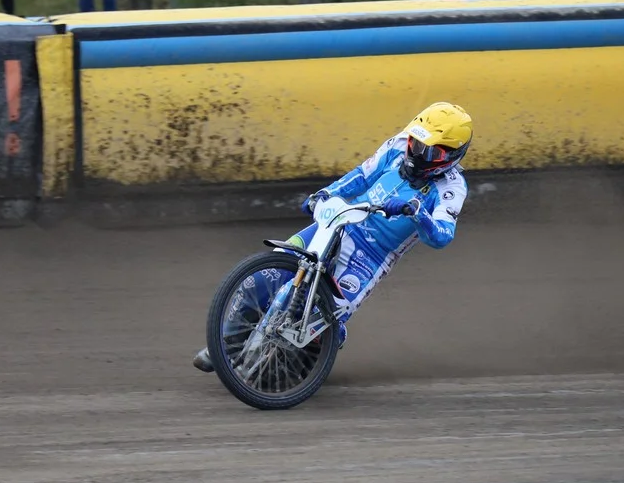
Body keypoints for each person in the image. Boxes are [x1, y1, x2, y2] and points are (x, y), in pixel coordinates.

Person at [193, 101, 474, 373]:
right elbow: (362, 176)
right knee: (262, 276)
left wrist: (419, 214)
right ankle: (225, 347)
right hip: (341, 221)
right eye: (416, 143)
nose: (417, 154)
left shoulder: (452, 188)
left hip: (372, 256)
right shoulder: (399, 144)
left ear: (452, 156)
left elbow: (442, 236)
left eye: (429, 153)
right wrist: (326, 194)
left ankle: (305, 366)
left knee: (325, 319)